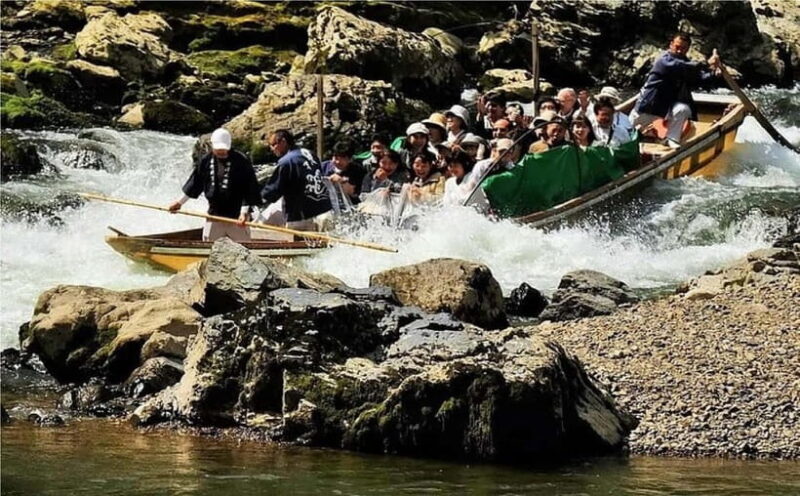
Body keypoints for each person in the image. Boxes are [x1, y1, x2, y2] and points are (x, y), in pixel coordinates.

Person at [630, 33, 721, 149]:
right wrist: (707, 63)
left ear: (688, 49)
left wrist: (714, 74)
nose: (679, 51)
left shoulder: (685, 62)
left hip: (666, 108)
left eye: (683, 48)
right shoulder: (664, 60)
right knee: (625, 133)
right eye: (677, 47)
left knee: (683, 109)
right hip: (648, 107)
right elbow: (683, 66)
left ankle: (671, 138)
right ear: (671, 45)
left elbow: (698, 78)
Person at [169, 128, 260, 242]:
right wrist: (179, 203)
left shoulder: (241, 161)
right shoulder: (206, 161)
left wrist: (244, 213)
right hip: (214, 216)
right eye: (218, 149)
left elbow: (249, 188)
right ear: (212, 145)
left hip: (237, 218)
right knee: (210, 250)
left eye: (224, 149)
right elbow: (195, 183)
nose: (221, 152)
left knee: (243, 249)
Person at [260, 129, 332, 231]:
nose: (272, 149)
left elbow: (274, 189)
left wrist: (254, 202)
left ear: (283, 141)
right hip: (324, 209)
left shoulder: (286, 161)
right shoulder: (310, 154)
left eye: (273, 144)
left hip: (301, 215)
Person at [321, 140, 366, 205]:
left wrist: (342, 183)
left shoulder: (359, 171)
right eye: (336, 157)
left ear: (350, 159)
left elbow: (361, 196)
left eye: (343, 158)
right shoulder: (323, 167)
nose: (338, 162)